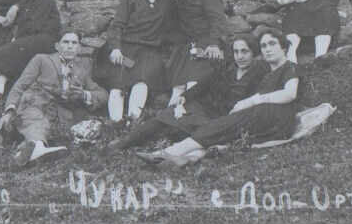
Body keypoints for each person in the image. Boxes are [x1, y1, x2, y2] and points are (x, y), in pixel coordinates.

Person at [140, 30, 299, 167]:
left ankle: (169, 152)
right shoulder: (268, 71)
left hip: (275, 119)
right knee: (223, 127)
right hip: (260, 117)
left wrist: (251, 101)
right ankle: (188, 158)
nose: (268, 49)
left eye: (272, 44)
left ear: (284, 47)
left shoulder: (290, 67)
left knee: (224, 124)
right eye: (264, 46)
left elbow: (290, 93)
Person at [107, 35, 266, 152]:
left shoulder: (260, 73)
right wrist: (183, 98)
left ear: (254, 53)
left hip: (224, 117)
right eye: (236, 51)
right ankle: (124, 142)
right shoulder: (227, 68)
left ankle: (165, 149)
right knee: (164, 117)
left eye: (245, 52)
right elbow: (204, 84)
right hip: (205, 107)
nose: (240, 56)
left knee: (191, 129)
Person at [0, 32, 108, 166]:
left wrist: (84, 94)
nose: (70, 46)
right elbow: (20, 86)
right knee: (34, 116)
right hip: (35, 103)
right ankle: (37, 147)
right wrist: (9, 110)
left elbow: (102, 94)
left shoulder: (82, 70)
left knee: (67, 125)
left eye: (74, 43)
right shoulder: (42, 60)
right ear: (57, 46)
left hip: (58, 114)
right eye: (65, 42)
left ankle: (27, 150)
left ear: (79, 48)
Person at [98, 0, 175, 124]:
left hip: (150, 50)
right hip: (126, 48)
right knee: (118, 81)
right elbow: (117, 25)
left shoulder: (167, 2)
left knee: (143, 79)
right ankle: (116, 124)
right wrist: (115, 49)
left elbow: (172, 30)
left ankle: (132, 122)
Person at [164, 0, 229, 104]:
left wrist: (214, 44)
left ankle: (190, 119)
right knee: (178, 87)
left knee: (194, 85)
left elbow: (218, 20)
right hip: (187, 47)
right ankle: (170, 119)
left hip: (208, 44)